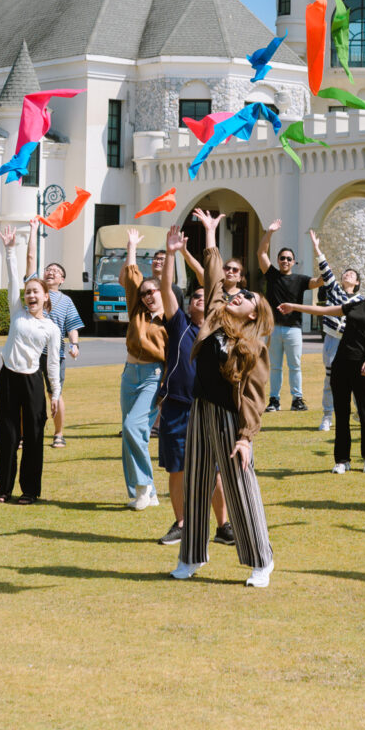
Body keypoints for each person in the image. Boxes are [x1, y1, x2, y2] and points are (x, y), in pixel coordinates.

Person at [172, 210, 275, 587]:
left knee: (239, 488)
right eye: (239, 294)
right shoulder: (215, 317)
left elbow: (255, 396)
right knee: (196, 483)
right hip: (200, 410)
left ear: (254, 313)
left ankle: (261, 561)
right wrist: (211, 234)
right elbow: (214, 280)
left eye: (247, 297)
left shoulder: (252, 346)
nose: (239, 296)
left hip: (231, 419)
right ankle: (190, 557)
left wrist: (246, 438)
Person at [283, 243, 365, 474]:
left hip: (363, 366)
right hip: (341, 364)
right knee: (341, 415)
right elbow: (323, 311)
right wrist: (294, 306)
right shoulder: (354, 304)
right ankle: (342, 460)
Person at [152, 227, 229, 548]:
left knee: (215, 469)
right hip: (177, 406)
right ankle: (182, 523)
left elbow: (215, 281)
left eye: (203, 296)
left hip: (208, 407)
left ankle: (223, 526)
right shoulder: (179, 324)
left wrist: (205, 240)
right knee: (178, 468)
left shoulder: (219, 329)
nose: (199, 298)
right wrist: (171, 253)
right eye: (194, 296)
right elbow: (165, 288)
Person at [0, 226, 63, 503]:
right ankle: (4, 489)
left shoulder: (51, 328)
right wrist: (10, 249)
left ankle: (30, 490)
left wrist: (55, 393)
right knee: (6, 434)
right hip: (8, 378)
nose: (30, 296)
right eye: (28, 292)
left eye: (36, 292)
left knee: (34, 436)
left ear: (46, 296)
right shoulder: (17, 313)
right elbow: (14, 279)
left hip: (33, 381)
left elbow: (53, 364)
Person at [117, 229, 168, 510]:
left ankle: (144, 487)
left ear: (162, 293)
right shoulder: (137, 311)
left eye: (152, 292)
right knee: (132, 434)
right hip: (129, 375)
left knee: (132, 427)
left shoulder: (170, 320)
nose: (148, 296)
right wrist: (132, 247)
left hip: (152, 376)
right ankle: (146, 492)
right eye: (145, 293)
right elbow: (132, 278)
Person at [28, 249, 84, 449]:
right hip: (31, 352)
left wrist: (74, 344)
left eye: (56, 271)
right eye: (48, 269)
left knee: (55, 393)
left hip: (55, 355)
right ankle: (25, 435)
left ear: (62, 279)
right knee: (28, 394)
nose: (50, 272)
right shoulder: (33, 294)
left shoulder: (66, 301)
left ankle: (58, 434)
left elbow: (72, 326)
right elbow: (30, 264)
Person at [260, 220, 312, 413]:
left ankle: (297, 399)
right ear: (278, 260)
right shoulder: (272, 275)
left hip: (293, 329)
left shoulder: (300, 279)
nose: (285, 261)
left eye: (289, 259)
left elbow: (319, 282)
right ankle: (274, 400)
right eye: (282, 258)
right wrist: (269, 233)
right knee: (275, 367)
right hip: (273, 328)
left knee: (295, 366)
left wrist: (319, 253)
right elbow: (261, 253)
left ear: (293, 262)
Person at [315, 255, 363, 435]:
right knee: (330, 379)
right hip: (332, 340)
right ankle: (327, 416)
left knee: (355, 379)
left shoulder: (361, 300)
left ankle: (360, 412)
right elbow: (326, 272)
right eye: (345, 273)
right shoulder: (334, 291)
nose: (347, 275)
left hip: (351, 342)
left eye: (352, 274)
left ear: (357, 282)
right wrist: (318, 251)